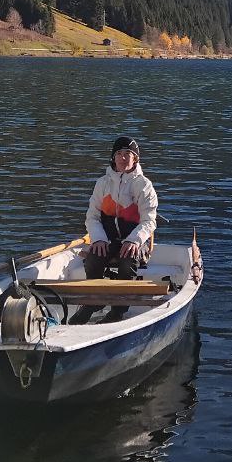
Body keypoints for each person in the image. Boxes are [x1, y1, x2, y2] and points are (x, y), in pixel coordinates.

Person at [69, 136, 159, 324]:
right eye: (119, 153)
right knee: (93, 259)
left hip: (135, 240)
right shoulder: (102, 183)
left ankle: (118, 311)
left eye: (128, 154)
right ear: (113, 158)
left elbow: (149, 221)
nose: (123, 158)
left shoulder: (144, 185)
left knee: (127, 263)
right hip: (108, 239)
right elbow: (92, 217)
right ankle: (94, 301)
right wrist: (99, 239)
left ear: (136, 159)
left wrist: (134, 240)